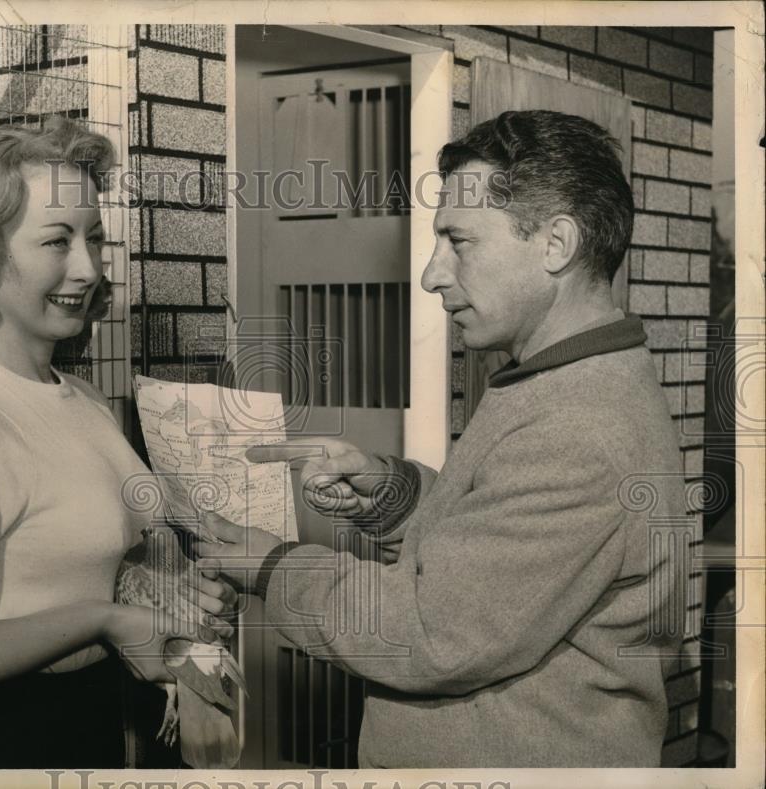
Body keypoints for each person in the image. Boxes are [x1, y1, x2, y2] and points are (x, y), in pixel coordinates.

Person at [196, 110, 687, 768]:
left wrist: (272, 566)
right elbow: (495, 544)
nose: (432, 274)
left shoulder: (578, 425)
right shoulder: (554, 381)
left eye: (460, 240)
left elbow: (429, 632)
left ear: (556, 243)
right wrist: (392, 494)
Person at [0, 117, 236, 769]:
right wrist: (105, 620)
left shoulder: (81, 398)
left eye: (93, 236)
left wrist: (171, 596)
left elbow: (75, 562)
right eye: (57, 240)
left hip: (112, 726)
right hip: (14, 743)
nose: (88, 267)